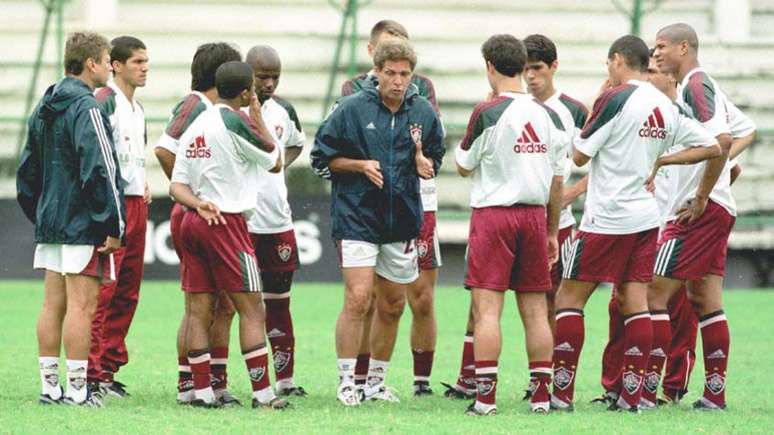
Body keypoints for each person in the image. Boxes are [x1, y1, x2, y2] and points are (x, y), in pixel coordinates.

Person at [550, 35, 720, 413]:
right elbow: (713, 146)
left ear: (616, 61)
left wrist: (597, 103)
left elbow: (579, 156)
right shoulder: (665, 104)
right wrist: (662, 161)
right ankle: (632, 397)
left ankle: (560, 396)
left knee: (568, 298)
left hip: (606, 216)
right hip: (645, 218)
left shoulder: (614, 97)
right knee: (634, 300)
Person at [311, 38, 445, 406]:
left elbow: (434, 158)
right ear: (378, 72)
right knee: (357, 298)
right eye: (391, 73)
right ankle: (345, 382)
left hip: (401, 221)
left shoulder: (422, 113)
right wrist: (357, 165)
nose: (398, 81)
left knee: (392, 305)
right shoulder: (351, 109)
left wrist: (425, 165)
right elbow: (321, 158)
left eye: (404, 74)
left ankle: (375, 382)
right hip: (356, 217)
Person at [646, 23, 758, 410]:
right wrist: (722, 175)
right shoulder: (703, 87)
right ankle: (714, 395)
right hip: (716, 209)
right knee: (705, 299)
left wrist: (702, 192)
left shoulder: (695, 84)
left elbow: (721, 143)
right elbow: (741, 133)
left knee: (652, 293)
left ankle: (645, 392)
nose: (656, 53)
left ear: (683, 47)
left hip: (699, 213)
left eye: (661, 47)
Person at [456, 34, 567, 416]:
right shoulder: (548, 114)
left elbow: (463, 164)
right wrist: (552, 231)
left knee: (488, 311)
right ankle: (540, 397)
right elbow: (557, 181)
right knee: (536, 311)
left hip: (495, 215)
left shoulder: (488, 112)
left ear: (489, 66)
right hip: (535, 217)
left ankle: (485, 398)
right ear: (521, 66)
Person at [170, 60, 286, 409]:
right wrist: (259, 119)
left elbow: (176, 185)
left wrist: (199, 204)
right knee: (252, 309)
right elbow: (275, 160)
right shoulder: (235, 120)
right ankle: (264, 394)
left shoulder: (196, 124)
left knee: (197, 310)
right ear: (247, 91)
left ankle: (201, 392)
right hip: (228, 223)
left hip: (193, 218)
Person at [17, 31, 123, 407]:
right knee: (82, 307)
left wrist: (42, 213)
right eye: (108, 58)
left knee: (52, 306)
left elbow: (27, 171)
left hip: (51, 222)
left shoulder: (44, 105)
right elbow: (101, 169)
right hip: (82, 224)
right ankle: (78, 391)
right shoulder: (88, 107)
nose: (111, 65)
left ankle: (50, 388)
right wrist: (111, 223)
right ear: (91, 63)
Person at [153, 42, 243, 405]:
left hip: (204, 213)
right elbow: (164, 148)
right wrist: (191, 194)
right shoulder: (195, 105)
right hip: (197, 215)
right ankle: (192, 382)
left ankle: (206, 382)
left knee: (220, 303)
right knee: (203, 304)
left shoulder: (209, 109)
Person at [87, 35, 150, 398]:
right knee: (105, 291)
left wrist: (142, 184)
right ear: (116, 65)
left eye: (146, 62)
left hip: (137, 204)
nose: (144, 69)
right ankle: (92, 372)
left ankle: (109, 368)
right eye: (137, 62)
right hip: (116, 206)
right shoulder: (104, 102)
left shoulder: (137, 109)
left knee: (128, 290)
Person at [242, 44, 307, 396]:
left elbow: (296, 144)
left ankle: (286, 380)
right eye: (262, 76)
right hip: (242, 222)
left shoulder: (284, 111)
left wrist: (278, 163)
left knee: (280, 304)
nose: (268, 83)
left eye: (274, 77)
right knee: (230, 304)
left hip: (277, 221)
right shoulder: (233, 112)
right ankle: (214, 382)